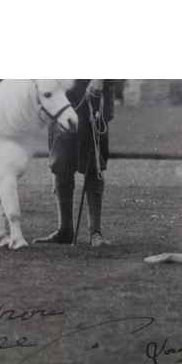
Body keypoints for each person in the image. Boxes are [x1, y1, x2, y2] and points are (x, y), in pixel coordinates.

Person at [35, 79, 115, 246]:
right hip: (62, 91)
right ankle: (65, 230)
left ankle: (95, 232)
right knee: (60, 160)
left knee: (93, 162)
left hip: (92, 87)